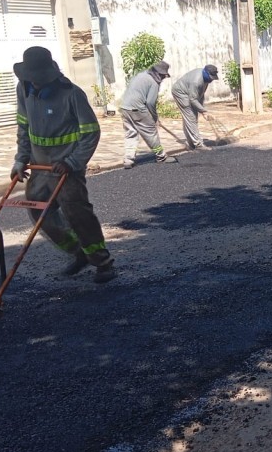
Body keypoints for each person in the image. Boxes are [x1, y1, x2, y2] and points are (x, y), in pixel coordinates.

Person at [11, 46, 117, 283]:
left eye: (38, 78)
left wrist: (72, 161)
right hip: (39, 167)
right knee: (39, 212)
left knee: (77, 214)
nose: (35, 83)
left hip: (66, 169)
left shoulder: (72, 94)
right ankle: (78, 252)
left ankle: (102, 261)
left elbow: (91, 132)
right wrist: (20, 159)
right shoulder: (24, 89)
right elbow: (23, 126)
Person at [121, 61, 171, 169]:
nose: (163, 79)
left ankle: (128, 159)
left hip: (125, 108)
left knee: (131, 133)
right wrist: (155, 118)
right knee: (151, 133)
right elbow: (150, 103)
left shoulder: (141, 75)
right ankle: (161, 156)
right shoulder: (153, 82)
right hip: (138, 109)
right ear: (159, 74)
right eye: (163, 76)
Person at [171, 64, 219, 149]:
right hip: (180, 93)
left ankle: (191, 143)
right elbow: (193, 99)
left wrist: (202, 110)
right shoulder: (196, 81)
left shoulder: (205, 79)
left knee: (191, 117)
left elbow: (200, 95)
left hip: (189, 94)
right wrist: (204, 111)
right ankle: (198, 144)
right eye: (211, 77)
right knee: (191, 117)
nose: (212, 80)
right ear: (206, 73)